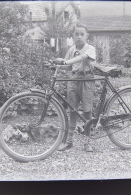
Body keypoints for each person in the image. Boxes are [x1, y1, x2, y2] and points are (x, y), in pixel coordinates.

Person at [53, 23, 96, 152]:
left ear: (87, 36)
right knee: (72, 110)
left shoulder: (90, 49)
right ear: (73, 36)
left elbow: (82, 58)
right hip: (73, 80)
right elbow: (67, 65)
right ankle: (69, 141)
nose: (79, 37)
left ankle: (87, 142)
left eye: (82, 34)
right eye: (76, 34)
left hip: (86, 80)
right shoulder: (71, 49)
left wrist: (66, 62)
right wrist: (58, 64)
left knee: (87, 112)